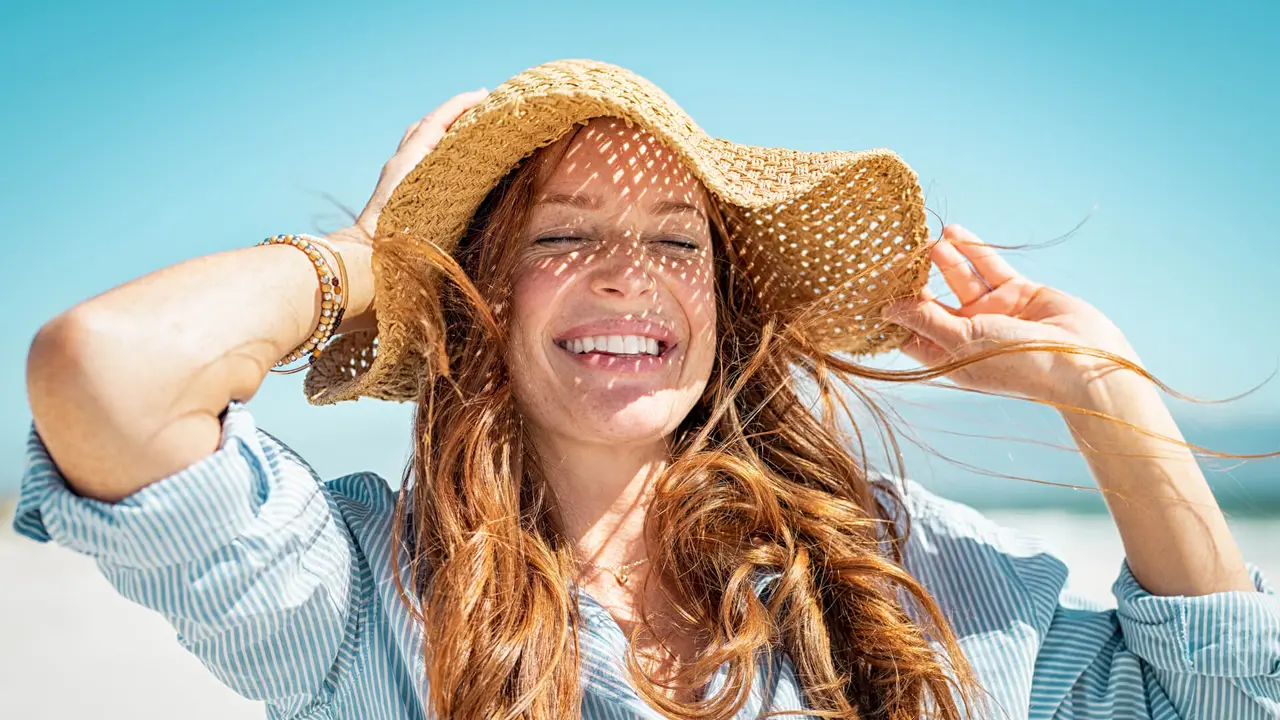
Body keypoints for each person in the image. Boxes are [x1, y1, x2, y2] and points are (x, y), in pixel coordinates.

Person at [15, 60, 1279, 720]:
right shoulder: (362, 593)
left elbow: (1211, 701)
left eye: (679, 243)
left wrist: (1098, 393)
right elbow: (107, 373)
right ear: (484, 297)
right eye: (561, 238)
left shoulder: (890, 568)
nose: (630, 279)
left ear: (718, 310)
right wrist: (374, 259)